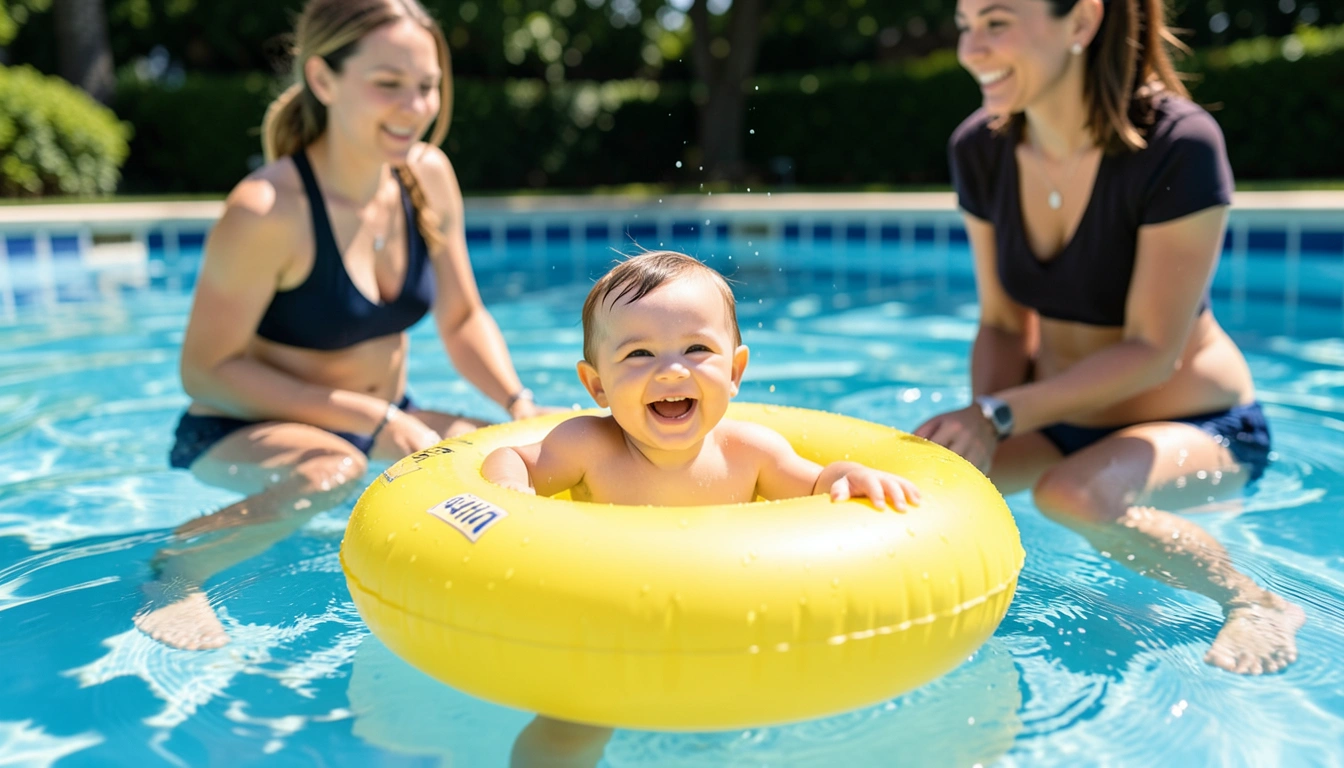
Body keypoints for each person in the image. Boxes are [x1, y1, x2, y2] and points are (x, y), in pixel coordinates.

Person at [138, 0, 547, 651]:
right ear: (324, 80)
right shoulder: (268, 210)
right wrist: (370, 420)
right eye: (389, 84)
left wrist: (518, 402)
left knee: (516, 454)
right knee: (335, 466)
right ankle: (181, 569)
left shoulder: (428, 177)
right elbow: (206, 371)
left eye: (427, 85)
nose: (415, 107)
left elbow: (463, 315)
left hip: (384, 417)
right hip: (242, 429)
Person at [916, 0, 1303, 675]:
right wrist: (983, 436)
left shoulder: (1178, 145)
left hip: (1196, 425)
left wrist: (998, 415)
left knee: (1071, 494)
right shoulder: (979, 148)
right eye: (966, 23)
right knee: (930, 483)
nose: (970, 49)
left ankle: (1254, 598)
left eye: (997, 22)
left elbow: (1154, 351)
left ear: (1083, 21)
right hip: (1052, 418)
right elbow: (1005, 324)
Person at [483, 251, 922, 767]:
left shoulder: (750, 452)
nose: (671, 370)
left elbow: (819, 484)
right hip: (607, 636)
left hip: (723, 634)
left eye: (696, 349)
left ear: (735, 370)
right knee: (565, 734)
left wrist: (851, 475)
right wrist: (512, 497)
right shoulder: (588, 447)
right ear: (597, 384)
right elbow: (511, 458)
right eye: (639, 354)